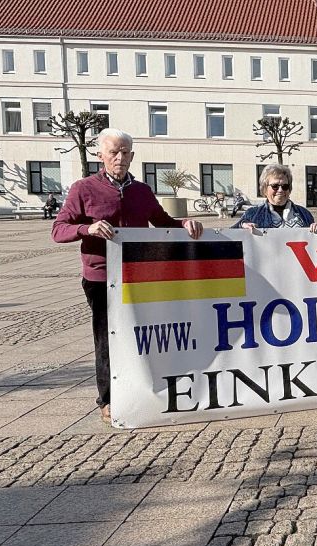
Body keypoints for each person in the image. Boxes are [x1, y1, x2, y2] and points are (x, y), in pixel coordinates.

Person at [51, 128, 204, 424]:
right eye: (113, 152)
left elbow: (162, 222)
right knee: (107, 338)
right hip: (100, 277)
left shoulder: (142, 191)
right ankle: (107, 398)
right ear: (100, 156)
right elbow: (59, 230)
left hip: (138, 275)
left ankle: (141, 389)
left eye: (125, 153)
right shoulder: (83, 189)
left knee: (140, 335)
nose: (120, 157)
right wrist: (88, 228)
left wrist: (185, 222)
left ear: (132, 156)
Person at [233, 164, 317, 232]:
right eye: (275, 186)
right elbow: (228, 239)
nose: (280, 190)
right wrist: (241, 226)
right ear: (265, 189)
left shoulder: (304, 214)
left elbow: (313, 245)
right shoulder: (252, 214)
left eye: (285, 186)